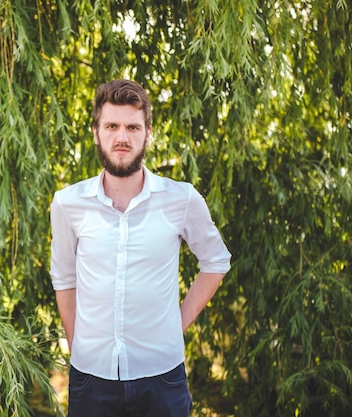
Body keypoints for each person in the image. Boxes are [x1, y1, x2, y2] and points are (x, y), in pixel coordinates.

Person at [50, 79, 231, 417]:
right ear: (96, 132)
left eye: (133, 127)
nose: (122, 137)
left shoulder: (182, 199)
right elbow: (64, 280)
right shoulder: (68, 204)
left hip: (163, 380)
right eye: (112, 126)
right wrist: (81, 350)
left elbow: (216, 261)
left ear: (148, 132)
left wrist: (174, 327)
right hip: (91, 382)